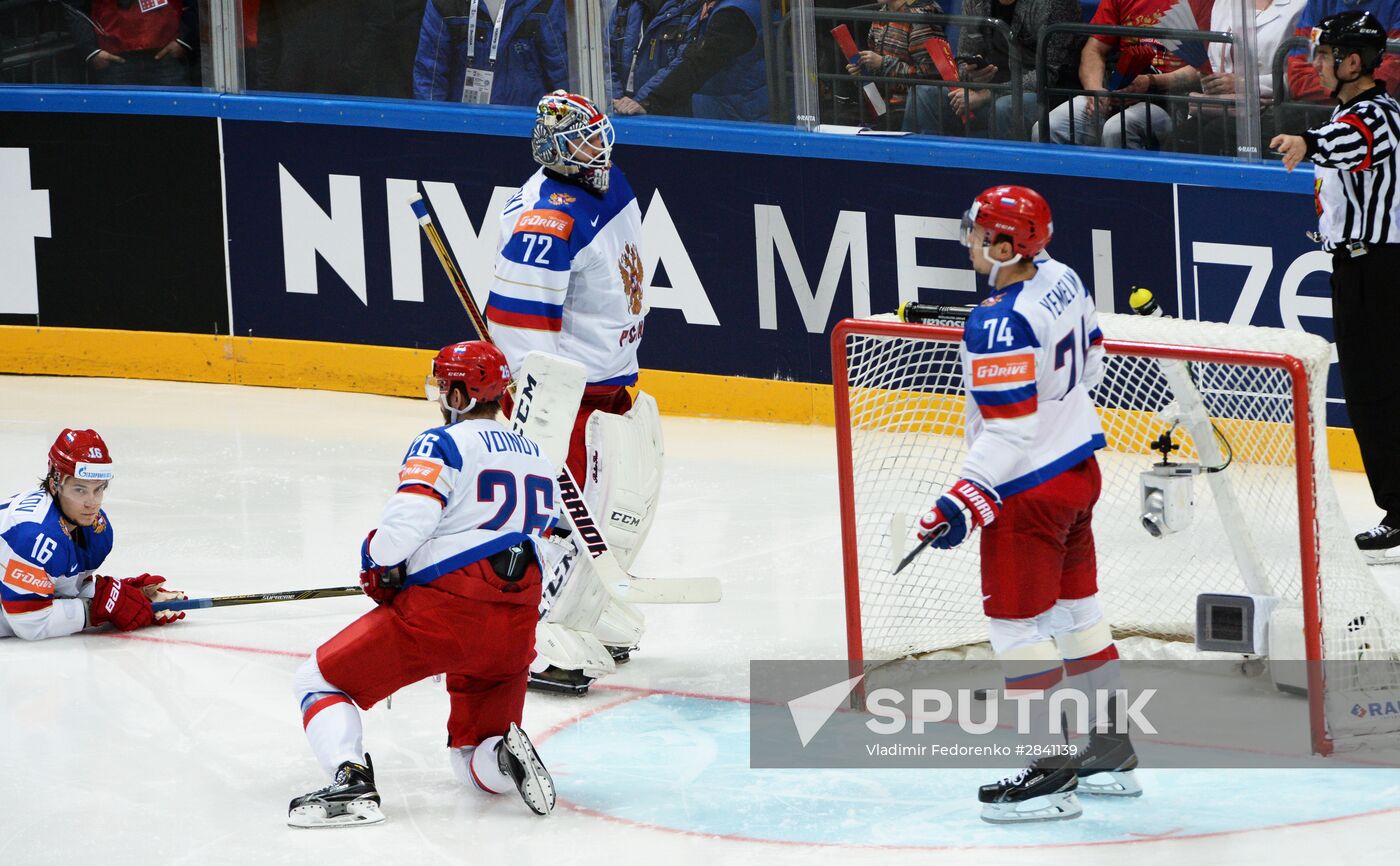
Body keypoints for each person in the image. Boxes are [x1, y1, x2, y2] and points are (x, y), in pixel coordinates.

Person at [913, 186, 1138, 823]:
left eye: (983, 232)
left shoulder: (998, 321)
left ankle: (1051, 772)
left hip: (1028, 492)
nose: (973, 241)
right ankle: (1109, 749)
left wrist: (960, 498)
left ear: (1008, 244)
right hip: (1078, 470)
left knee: (1017, 628)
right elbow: (1094, 360)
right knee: (1078, 614)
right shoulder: (1063, 277)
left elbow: (1009, 431)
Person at [287, 341, 559, 828]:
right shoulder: (538, 455)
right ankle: (502, 759)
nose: (438, 396)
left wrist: (376, 559)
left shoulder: (443, 442)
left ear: (460, 394)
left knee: (319, 679)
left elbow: (403, 531)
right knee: (471, 756)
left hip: (446, 612)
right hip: (516, 623)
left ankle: (350, 781)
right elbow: (549, 540)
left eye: (443, 386)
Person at [486, 91, 659, 695]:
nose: (599, 147)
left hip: (611, 382)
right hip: (568, 398)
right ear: (555, 151)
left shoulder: (606, 180)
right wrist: (544, 413)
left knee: (616, 511)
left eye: (597, 134)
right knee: (565, 517)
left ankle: (585, 604)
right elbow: (513, 327)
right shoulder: (545, 221)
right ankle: (536, 630)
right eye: (584, 141)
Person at [1271, 11, 1400, 559]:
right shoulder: (1349, 112)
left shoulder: (1378, 115)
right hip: (1356, 269)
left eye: (1324, 56)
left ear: (1353, 62)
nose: (1313, 64)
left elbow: (1353, 142)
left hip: (1386, 271)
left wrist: (1306, 141)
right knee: (1371, 395)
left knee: (1384, 392)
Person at [1, 429, 185, 640]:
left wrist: (127, 595)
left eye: (99, 489)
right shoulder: (34, 536)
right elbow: (29, 622)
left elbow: (64, 591)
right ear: (54, 484)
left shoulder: (97, 529)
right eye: (80, 490)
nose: (92, 503)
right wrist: (101, 608)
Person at [1037, 0, 1212, 148]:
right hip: (1117, 91)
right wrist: (1095, 89)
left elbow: (1205, 68)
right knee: (1047, 127)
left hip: (1170, 99)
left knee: (1118, 129)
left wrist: (1151, 82)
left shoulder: (1202, 3)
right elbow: (1093, 50)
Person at [1173, 0, 1300, 154]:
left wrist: (1244, 83)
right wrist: (1212, 80)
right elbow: (1213, 60)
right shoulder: (1224, 3)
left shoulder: (1300, 6)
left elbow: (1301, 78)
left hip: (1273, 111)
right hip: (1220, 106)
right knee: (1178, 140)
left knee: (1213, 136)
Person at [613, 0, 768, 120]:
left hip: (738, 124)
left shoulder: (734, 13)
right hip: (718, 115)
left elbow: (696, 64)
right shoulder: (713, 7)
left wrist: (650, 102)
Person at [412, 0, 568, 106]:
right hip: (464, 124)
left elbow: (561, 71)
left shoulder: (544, 3)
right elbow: (430, 75)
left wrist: (568, 129)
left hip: (528, 125)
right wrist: (434, 126)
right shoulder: (445, 4)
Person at [841, 0, 944, 127]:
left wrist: (883, 64)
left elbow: (930, 77)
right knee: (838, 118)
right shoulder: (881, 15)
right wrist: (863, 70)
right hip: (880, 105)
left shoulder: (921, 19)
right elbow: (877, 66)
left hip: (908, 107)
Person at [1286, 0, 1400, 105]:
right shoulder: (1317, 3)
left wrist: (1332, 83)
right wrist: (1349, 84)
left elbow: (1388, 79)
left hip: (1380, 109)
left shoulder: (1395, 5)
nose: (1316, 64)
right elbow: (1298, 80)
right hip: (1316, 114)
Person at [610, 0, 704, 117]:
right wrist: (616, 99)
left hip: (668, 115)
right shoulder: (625, 6)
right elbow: (606, 57)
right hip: (619, 111)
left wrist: (643, 102)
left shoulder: (693, 8)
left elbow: (683, 62)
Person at [76, 0, 197, 87]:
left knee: (174, 116)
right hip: (113, 59)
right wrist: (90, 49)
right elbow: (74, 7)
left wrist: (184, 39)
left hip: (167, 55)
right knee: (119, 119)